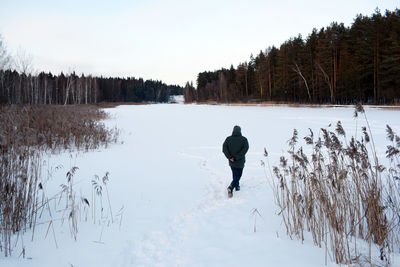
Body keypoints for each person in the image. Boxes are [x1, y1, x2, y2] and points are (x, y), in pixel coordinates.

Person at [223, 125, 249, 197]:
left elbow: (224, 149)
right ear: (240, 131)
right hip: (240, 161)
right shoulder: (244, 139)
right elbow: (245, 150)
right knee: (238, 175)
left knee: (235, 174)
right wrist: (237, 157)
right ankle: (231, 187)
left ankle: (237, 186)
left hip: (231, 161)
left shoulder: (228, 139)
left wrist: (230, 157)